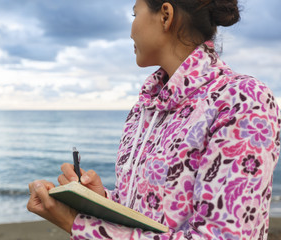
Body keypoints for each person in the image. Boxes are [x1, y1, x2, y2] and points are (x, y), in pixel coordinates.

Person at [27, 0, 281, 239]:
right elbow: (151, 215)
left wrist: (78, 225)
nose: (130, 31)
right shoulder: (146, 108)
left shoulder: (242, 99)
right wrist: (101, 201)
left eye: (134, 14)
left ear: (166, 15)